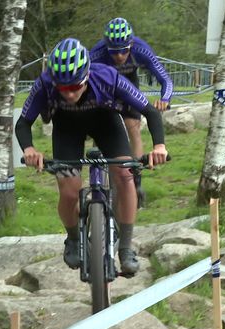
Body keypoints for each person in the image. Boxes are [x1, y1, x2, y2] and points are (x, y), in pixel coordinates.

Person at [15, 38, 168, 275]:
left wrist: (159, 146)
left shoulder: (106, 76)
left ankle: (126, 248)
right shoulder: (44, 83)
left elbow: (149, 110)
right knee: (68, 189)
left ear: (87, 76)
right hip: (66, 128)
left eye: (75, 86)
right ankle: (74, 238)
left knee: (125, 175)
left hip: (105, 121)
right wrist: (29, 150)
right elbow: (23, 123)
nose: (69, 94)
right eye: (62, 89)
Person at [90, 17, 173, 207]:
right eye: (114, 52)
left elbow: (165, 79)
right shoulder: (96, 53)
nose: (119, 56)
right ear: (106, 46)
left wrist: (165, 99)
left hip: (129, 86)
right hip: (104, 88)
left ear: (131, 44)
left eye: (124, 51)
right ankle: (98, 178)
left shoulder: (141, 49)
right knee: (101, 127)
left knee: (132, 126)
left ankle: (136, 181)